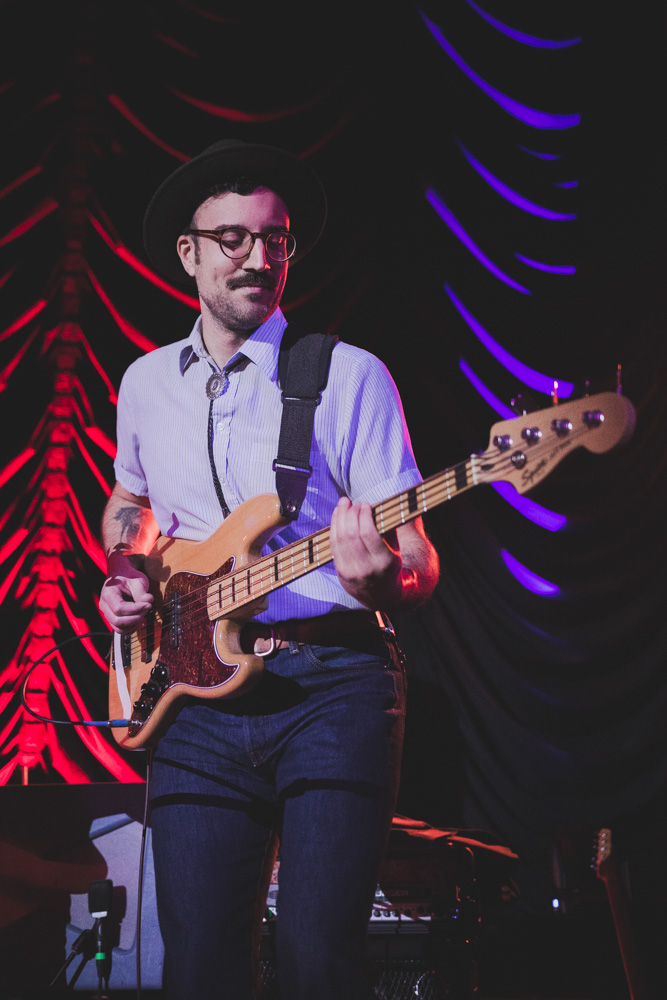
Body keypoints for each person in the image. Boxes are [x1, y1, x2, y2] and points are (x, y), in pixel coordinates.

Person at [99, 139, 440, 999]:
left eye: (275, 241)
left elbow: (417, 561)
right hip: (189, 696)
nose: (258, 259)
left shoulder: (346, 375)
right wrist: (124, 567)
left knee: (319, 965)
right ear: (190, 253)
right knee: (199, 969)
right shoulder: (143, 384)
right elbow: (129, 500)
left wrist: (379, 583)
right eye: (234, 240)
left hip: (331, 681)